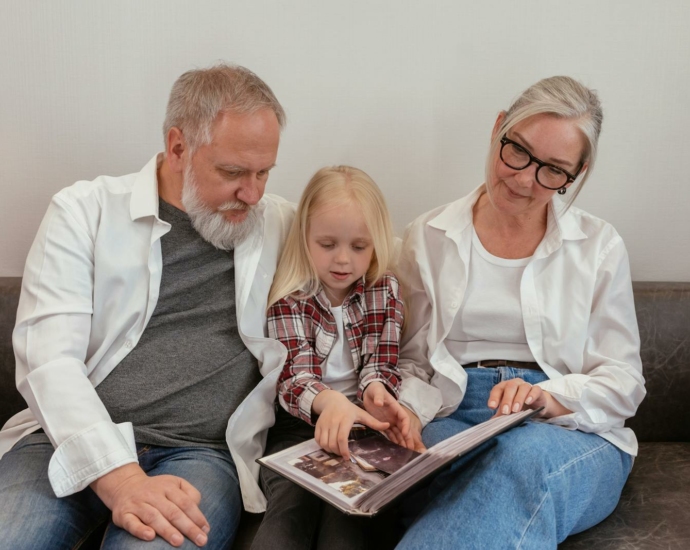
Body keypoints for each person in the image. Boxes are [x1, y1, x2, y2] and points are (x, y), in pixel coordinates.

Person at [0, 63, 294, 549]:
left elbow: (370, 251)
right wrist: (123, 480)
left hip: (198, 456)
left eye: (265, 172)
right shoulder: (83, 212)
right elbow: (48, 362)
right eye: (233, 172)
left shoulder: (279, 223)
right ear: (178, 147)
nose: (253, 193)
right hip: (62, 442)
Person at [392, 76, 646, 549]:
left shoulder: (599, 246)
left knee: (521, 457)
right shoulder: (426, 236)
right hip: (454, 415)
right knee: (421, 477)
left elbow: (624, 382)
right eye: (518, 152)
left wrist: (547, 396)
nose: (525, 179)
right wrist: (403, 407)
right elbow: (411, 360)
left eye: (553, 170)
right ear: (497, 129)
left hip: (565, 429)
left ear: (577, 172)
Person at [250, 166, 414, 550]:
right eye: (327, 244)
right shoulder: (290, 295)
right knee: (289, 515)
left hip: (363, 428)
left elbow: (382, 362)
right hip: (298, 426)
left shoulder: (384, 290)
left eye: (359, 247)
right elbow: (294, 378)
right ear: (305, 238)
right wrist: (333, 404)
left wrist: (376, 390)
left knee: (348, 527)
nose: (343, 260)